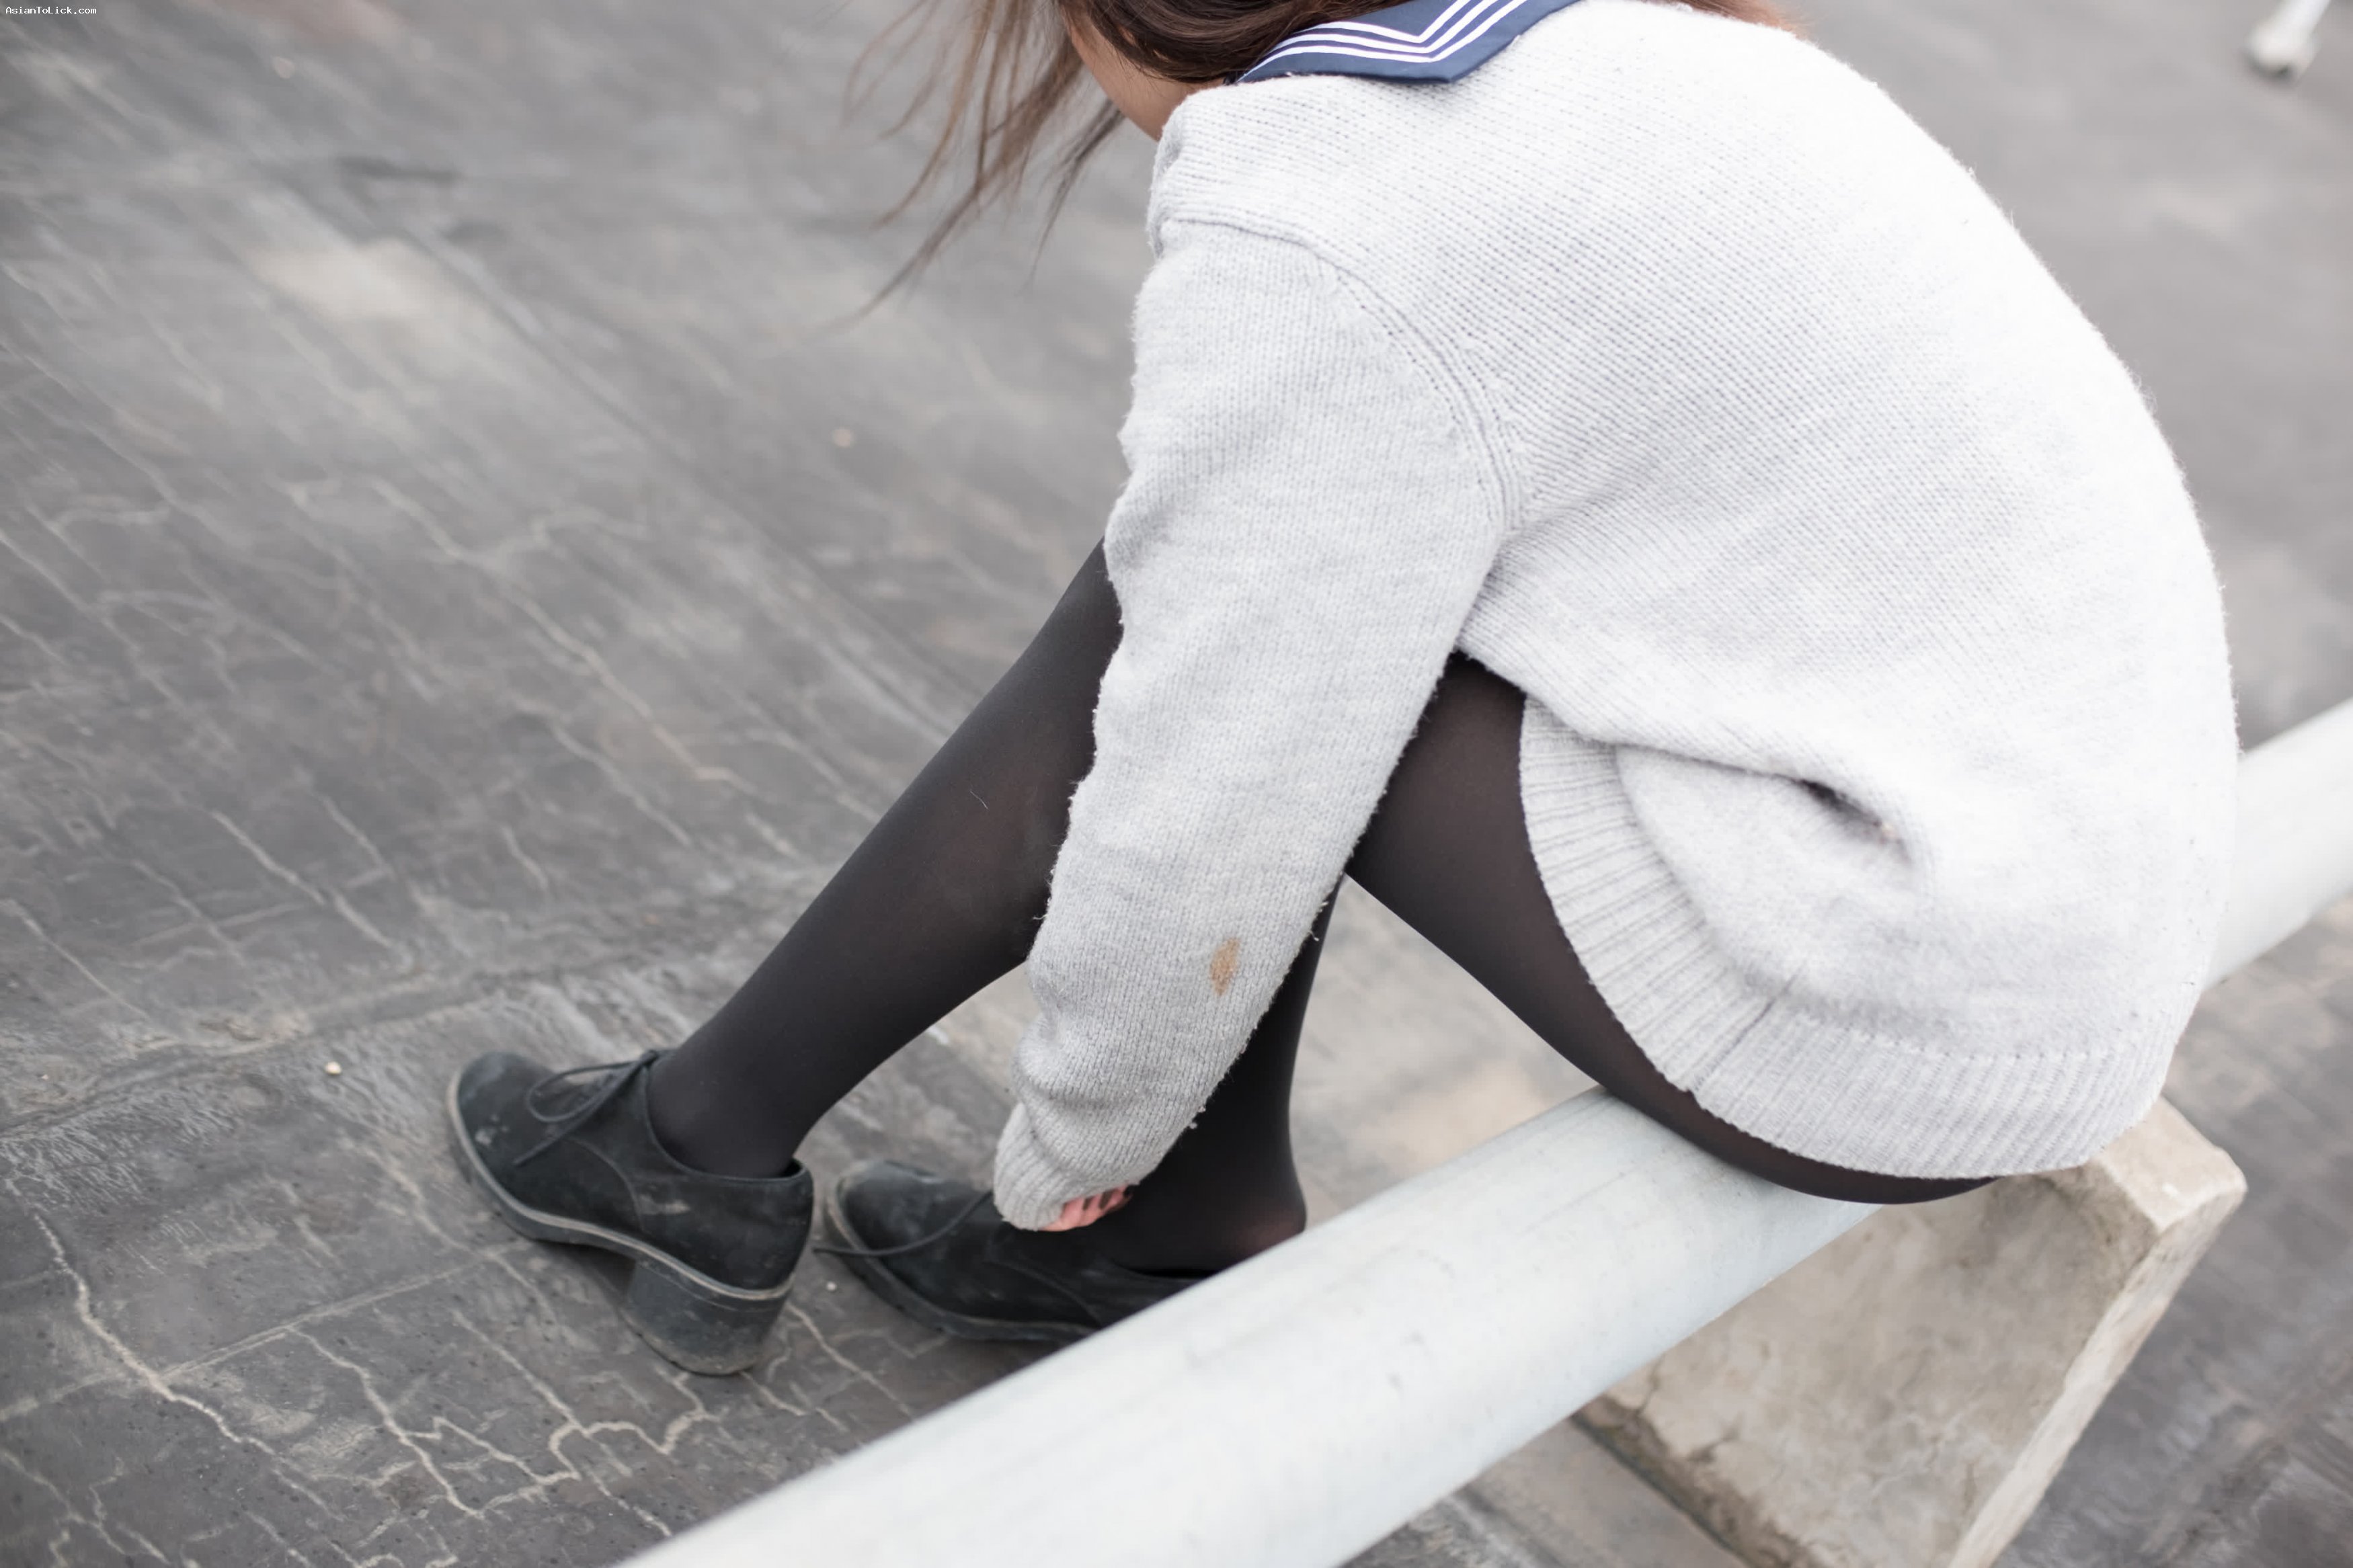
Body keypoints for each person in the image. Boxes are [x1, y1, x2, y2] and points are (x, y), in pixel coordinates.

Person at [448, 0, 2238, 1376]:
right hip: (2062, 919)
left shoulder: (1341, 190)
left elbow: (1219, 786)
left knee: (1213, 630)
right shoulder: (1617, 42)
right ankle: (1156, 1232)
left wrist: (1081, 1129)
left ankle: (699, 1148)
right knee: (1296, 586)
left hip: (1909, 995)